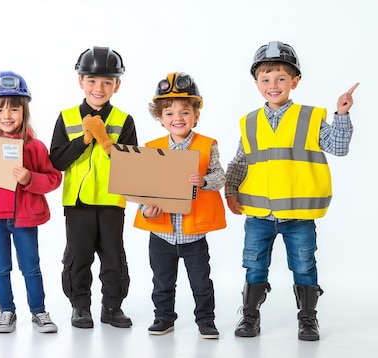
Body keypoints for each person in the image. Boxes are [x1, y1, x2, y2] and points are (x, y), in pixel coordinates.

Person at [225, 40, 359, 341]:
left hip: (299, 215)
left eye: (281, 78)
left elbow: (338, 147)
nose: (273, 85)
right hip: (258, 214)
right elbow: (240, 160)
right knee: (254, 265)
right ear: (257, 84)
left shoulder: (311, 117)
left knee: (304, 265)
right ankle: (250, 316)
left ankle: (308, 319)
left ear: (294, 81)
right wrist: (230, 190)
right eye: (266, 79)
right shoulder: (249, 122)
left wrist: (341, 114)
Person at [0, 71, 62, 334]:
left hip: (25, 217)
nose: (7, 116)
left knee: (31, 266)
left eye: (14, 109)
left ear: (24, 111)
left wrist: (30, 178)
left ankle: (39, 312)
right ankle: (6, 311)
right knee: (0, 266)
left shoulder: (35, 147)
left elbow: (53, 179)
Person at [49, 46, 138, 329]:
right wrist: (84, 140)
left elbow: (133, 166)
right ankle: (80, 307)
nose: (98, 88)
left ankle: (112, 307)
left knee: (113, 255)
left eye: (107, 82)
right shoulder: (66, 118)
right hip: (78, 203)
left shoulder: (124, 120)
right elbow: (57, 161)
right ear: (80, 81)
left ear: (117, 85)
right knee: (78, 256)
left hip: (112, 201)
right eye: (92, 81)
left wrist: (105, 141)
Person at [133, 72, 226, 339]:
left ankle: (206, 320)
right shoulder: (152, 148)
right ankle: (164, 318)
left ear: (196, 115)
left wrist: (204, 180)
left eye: (185, 112)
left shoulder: (207, 146)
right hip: (161, 233)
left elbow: (220, 176)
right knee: (162, 281)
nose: (178, 118)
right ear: (160, 119)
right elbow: (144, 191)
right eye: (170, 113)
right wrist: (145, 209)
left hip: (193, 234)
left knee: (201, 282)